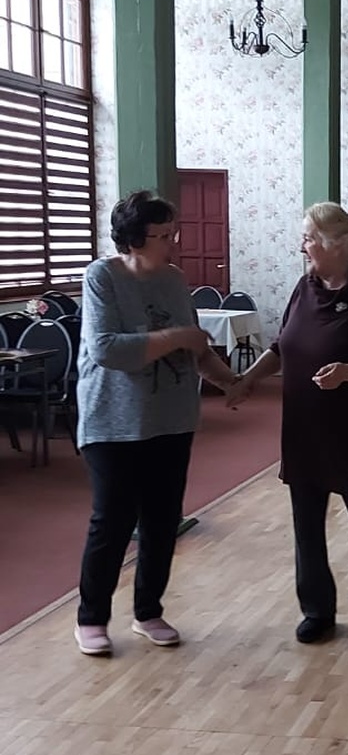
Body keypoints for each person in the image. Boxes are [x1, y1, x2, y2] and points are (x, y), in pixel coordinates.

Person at [229, 203, 348, 650]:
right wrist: (247, 379)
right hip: (303, 432)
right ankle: (317, 611)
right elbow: (281, 345)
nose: (302, 246)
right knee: (307, 529)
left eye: (309, 238)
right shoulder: (304, 288)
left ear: (339, 245)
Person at [74, 189, 240, 657]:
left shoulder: (174, 280)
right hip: (113, 423)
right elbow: (107, 349)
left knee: (163, 521)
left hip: (171, 420)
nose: (173, 243)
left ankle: (148, 611)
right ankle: (91, 618)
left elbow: (196, 349)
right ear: (133, 239)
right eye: (163, 235)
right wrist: (177, 336)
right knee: (112, 522)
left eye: (173, 233)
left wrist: (231, 382)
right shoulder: (102, 276)